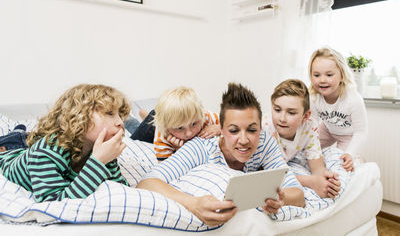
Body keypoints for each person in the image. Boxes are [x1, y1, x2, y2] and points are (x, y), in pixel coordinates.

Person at [137, 83, 305, 226]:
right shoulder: (200, 148)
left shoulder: (265, 142)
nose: (244, 140)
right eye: (233, 130)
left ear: (261, 128)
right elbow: (147, 183)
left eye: (252, 130)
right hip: (159, 133)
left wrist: (281, 199)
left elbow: (298, 194)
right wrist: (193, 203)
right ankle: (144, 116)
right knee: (150, 121)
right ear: (221, 130)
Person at [0, 84, 130, 202]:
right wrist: (98, 161)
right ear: (79, 117)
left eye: (120, 115)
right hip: (8, 153)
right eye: (109, 113)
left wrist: (102, 160)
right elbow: (54, 202)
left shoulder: (102, 149)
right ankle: (17, 132)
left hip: (27, 150)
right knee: (18, 138)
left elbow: (119, 189)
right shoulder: (46, 151)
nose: (120, 122)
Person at [264, 79, 341, 198]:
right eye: (277, 110)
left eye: (291, 113)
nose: (282, 118)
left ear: (305, 116)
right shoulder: (265, 128)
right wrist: (311, 182)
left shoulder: (310, 127)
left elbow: (317, 167)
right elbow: (266, 175)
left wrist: (327, 181)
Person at [308, 47, 368, 172]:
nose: (322, 80)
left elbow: (361, 132)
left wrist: (350, 154)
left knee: (341, 164)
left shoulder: (353, 99)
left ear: (342, 75)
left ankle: (358, 160)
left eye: (329, 75)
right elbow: (312, 125)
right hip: (327, 129)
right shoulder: (313, 97)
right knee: (306, 152)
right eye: (316, 75)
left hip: (348, 135)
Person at [150, 86, 221, 161]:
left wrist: (220, 127)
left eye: (194, 124)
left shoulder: (205, 116)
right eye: (180, 128)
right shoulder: (162, 136)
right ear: (167, 127)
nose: (189, 133)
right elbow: (165, 167)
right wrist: (180, 151)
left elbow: (232, 123)